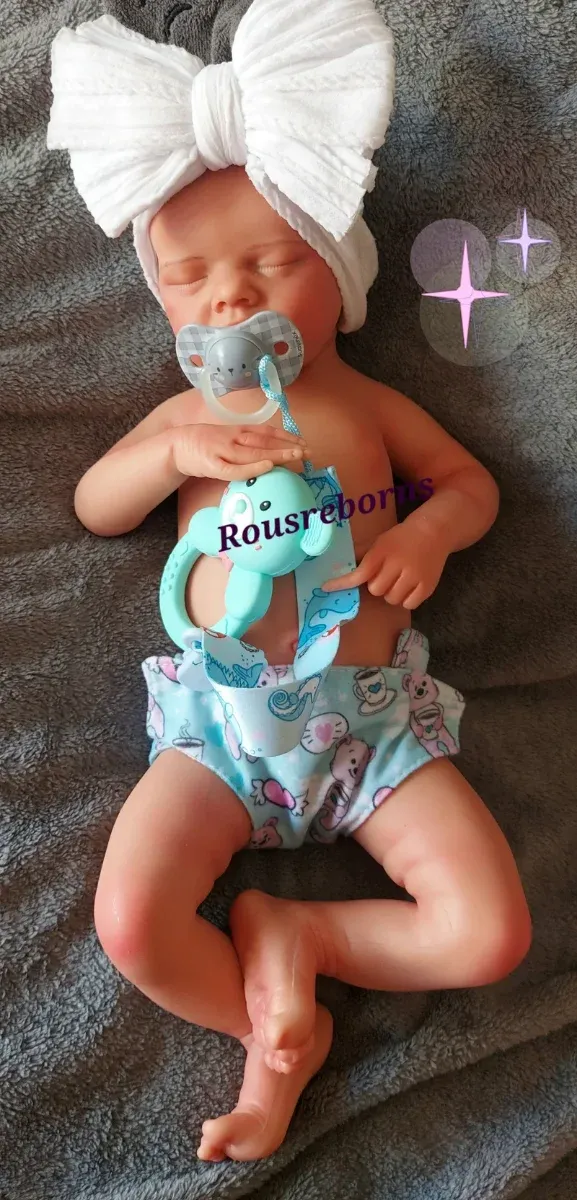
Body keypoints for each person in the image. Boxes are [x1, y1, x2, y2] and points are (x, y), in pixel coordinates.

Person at [47, 2, 531, 1162]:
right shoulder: (184, 416)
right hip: (217, 733)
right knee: (132, 920)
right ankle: (270, 1031)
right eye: (188, 279)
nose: (228, 299)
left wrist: (430, 534)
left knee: (488, 935)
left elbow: (469, 484)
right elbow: (95, 505)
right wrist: (170, 454)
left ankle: (305, 935)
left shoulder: (362, 403)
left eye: (269, 265)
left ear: (338, 273)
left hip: (369, 729)